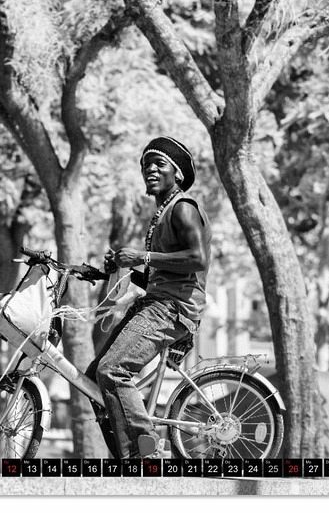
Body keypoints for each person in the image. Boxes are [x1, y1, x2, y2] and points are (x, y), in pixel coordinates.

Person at [86, 136, 211, 459]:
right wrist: (121, 267)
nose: (150, 170)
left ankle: (148, 453)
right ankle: (127, 458)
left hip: (171, 308)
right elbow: (159, 275)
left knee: (112, 371)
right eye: (145, 165)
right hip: (157, 303)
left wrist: (142, 256)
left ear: (177, 174)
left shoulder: (183, 208)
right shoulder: (163, 214)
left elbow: (197, 259)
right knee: (93, 378)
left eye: (159, 164)